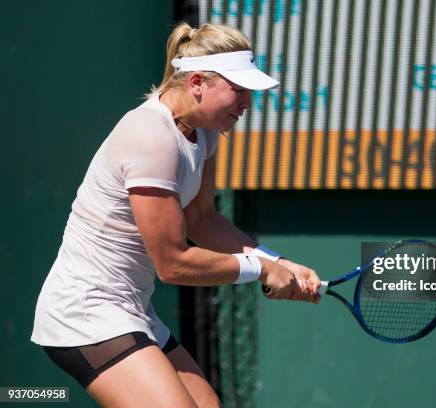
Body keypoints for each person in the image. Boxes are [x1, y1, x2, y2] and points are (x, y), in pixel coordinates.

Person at [31, 22, 320, 408]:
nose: (247, 103)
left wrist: (278, 261)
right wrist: (260, 270)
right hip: (85, 311)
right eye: (238, 90)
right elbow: (172, 264)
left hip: (132, 308)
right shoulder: (151, 137)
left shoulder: (206, 132)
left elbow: (202, 220)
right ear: (197, 82)